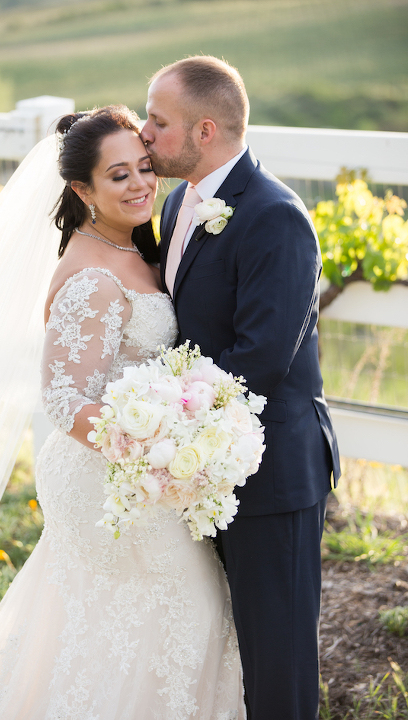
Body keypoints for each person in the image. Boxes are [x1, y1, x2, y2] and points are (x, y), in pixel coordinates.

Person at [0, 106, 245, 718]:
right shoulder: (93, 276)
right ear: (82, 189)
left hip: (137, 473)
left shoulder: (129, 248)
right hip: (109, 478)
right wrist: (159, 450)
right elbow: (66, 399)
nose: (141, 185)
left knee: (140, 617)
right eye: (118, 176)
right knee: (169, 612)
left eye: (146, 169)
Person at [141, 56, 341, 720]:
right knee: (220, 647)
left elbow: (258, 359)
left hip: (273, 472)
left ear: (204, 130)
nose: (144, 133)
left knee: (276, 657)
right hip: (204, 466)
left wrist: (160, 421)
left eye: (158, 121)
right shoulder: (180, 203)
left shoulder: (276, 216)